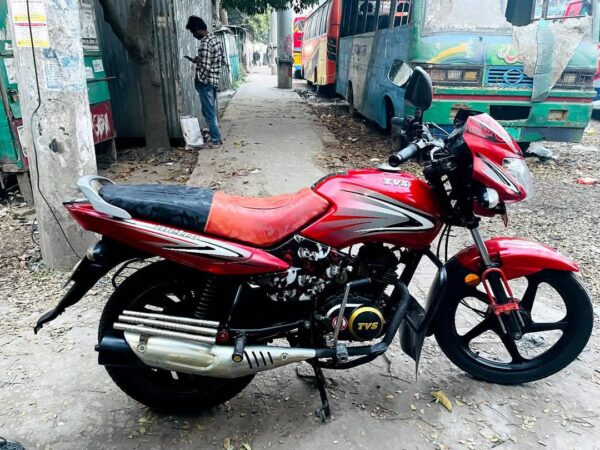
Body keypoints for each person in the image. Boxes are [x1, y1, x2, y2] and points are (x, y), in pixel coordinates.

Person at [186, 16, 225, 149]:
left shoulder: (206, 43)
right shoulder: (216, 39)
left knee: (209, 113)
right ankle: (216, 136)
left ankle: (215, 140)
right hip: (214, 81)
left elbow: (206, 67)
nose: (193, 35)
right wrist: (200, 60)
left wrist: (200, 79)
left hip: (206, 83)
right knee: (209, 111)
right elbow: (218, 60)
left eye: (193, 32)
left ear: (197, 29)